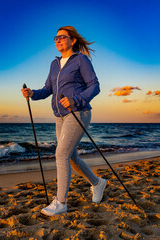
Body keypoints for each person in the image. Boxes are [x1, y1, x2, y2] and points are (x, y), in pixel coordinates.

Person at [21, 26, 107, 216]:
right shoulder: (54, 64)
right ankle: (98, 183)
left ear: (72, 40)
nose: (58, 40)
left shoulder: (81, 60)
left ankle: (61, 202)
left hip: (78, 112)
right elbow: (48, 89)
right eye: (55, 38)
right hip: (60, 116)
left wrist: (75, 99)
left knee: (61, 155)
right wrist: (33, 93)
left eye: (62, 37)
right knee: (72, 158)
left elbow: (95, 86)